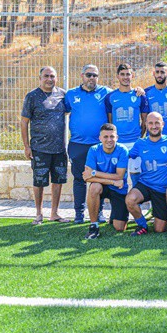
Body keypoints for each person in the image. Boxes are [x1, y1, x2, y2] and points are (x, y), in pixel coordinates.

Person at [20, 66, 69, 225]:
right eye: (46, 76)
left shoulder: (63, 95)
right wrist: (27, 146)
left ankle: (54, 213)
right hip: (39, 149)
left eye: (52, 76)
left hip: (59, 149)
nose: (49, 79)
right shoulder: (32, 96)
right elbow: (24, 122)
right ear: (40, 78)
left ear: (56, 78)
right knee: (39, 182)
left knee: (58, 181)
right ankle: (38, 214)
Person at [64, 64, 110, 224]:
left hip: (99, 145)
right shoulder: (71, 94)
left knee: (99, 179)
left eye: (95, 75)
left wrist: (138, 90)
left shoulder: (106, 93)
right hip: (77, 144)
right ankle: (79, 214)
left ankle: (99, 212)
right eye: (89, 75)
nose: (92, 78)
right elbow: (64, 110)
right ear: (82, 76)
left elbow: (123, 93)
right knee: (79, 179)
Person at [126, 113, 167, 236]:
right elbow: (126, 156)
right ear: (146, 124)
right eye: (150, 123)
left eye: (157, 123)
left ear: (163, 124)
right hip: (145, 184)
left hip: (163, 189)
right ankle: (142, 225)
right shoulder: (140, 143)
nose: (154, 126)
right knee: (130, 199)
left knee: (159, 229)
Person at [82, 123, 129, 239]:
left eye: (112, 136)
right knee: (94, 187)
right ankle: (94, 225)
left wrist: (94, 173)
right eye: (105, 137)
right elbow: (86, 177)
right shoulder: (93, 150)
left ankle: (114, 216)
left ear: (117, 137)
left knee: (120, 227)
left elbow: (119, 176)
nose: (109, 140)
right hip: (106, 185)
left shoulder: (122, 150)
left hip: (118, 188)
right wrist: (112, 181)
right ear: (100, 138)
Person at [105, 64, 149, 187]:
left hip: (135, 142)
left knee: (136, 176)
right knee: (120, 176)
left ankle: (136, 198)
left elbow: (144, 121)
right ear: (117, 76)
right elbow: (110, 122)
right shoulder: (110, 97)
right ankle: (121, 199)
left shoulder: (140, 96)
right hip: (118, 143)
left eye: (128, 74)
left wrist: (139, 137)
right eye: (122, 74)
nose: (125, 77)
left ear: (132, 76)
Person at [145, 62, 167, 137]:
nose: (159, 75)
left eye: (162, 72)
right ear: (154, 74)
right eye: (157, 72)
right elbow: (144, 117)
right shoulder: (146, 93)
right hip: (151, 137)